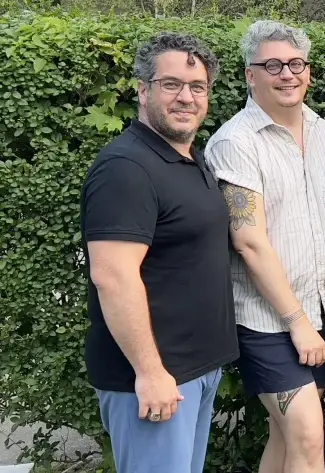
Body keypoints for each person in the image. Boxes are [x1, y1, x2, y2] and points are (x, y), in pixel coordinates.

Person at [79, 32, 236, 473]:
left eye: (197, 86)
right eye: (171, 84)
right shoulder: (125, 169)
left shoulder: (188, 158)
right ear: (143, 89)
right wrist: (150, 373)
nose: (186, 97)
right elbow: (113, 276)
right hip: (154, 381)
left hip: (195, 372)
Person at [204, 20, 325, 473]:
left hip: (322, 311)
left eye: (296, 64)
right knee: (307, 435)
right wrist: (296, 323)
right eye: (273, 65)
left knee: (287, 438)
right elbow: (248, 241)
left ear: (308, 71)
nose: (287, 74)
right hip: (268, 320)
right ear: (250, 75)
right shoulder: (235, 142)